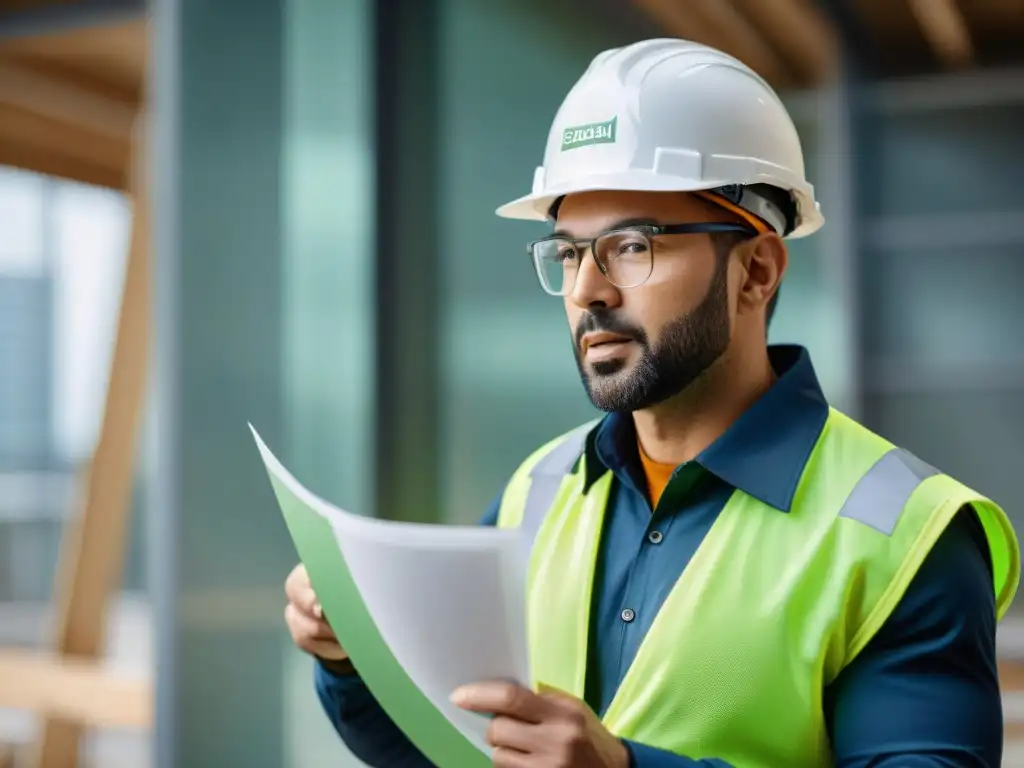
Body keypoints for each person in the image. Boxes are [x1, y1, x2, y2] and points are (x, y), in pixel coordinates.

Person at [284, 38, 1020, 767]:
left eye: (633, 246)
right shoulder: (539, 488)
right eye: (569, 253)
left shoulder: (904, 531)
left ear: (756, 271)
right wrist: (350, 661)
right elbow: (461, 748)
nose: (586, 291)